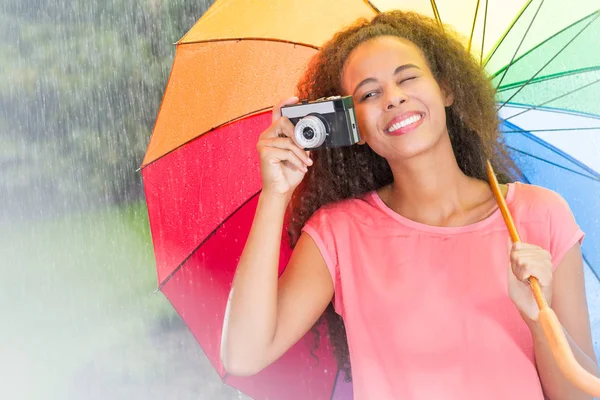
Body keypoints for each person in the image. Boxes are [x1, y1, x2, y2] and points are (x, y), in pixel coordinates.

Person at [220, 10, 598, 400]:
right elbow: (244, 355)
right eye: (369, 93)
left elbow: (581, 396)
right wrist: (275, 195)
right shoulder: (337, 233)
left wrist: (539, 321)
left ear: (446, 90)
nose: (394, 97)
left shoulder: (540, 215)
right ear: (356, 129)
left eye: (408, 77)